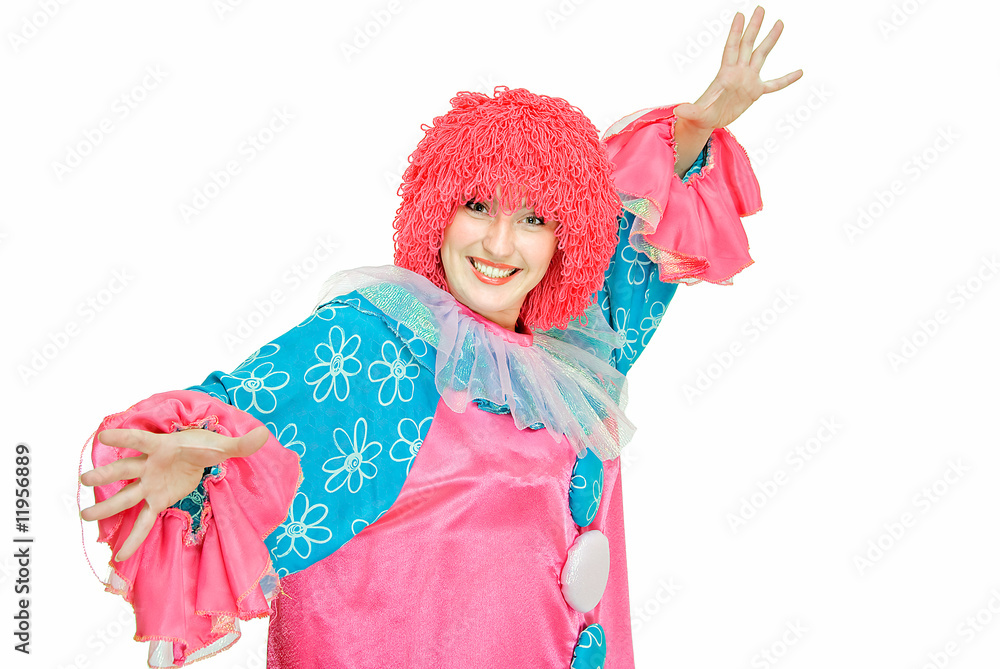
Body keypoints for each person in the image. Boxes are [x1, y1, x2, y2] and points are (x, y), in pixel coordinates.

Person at [80, 8, 801, 668]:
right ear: (438, 212)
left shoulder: (569, 355)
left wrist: (699, 125)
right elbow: (242, 437)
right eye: (478, 207)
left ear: (564, 238)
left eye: (534, 218)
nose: (499, 244)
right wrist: (187, 482)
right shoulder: (376, 342)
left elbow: (634, 232)